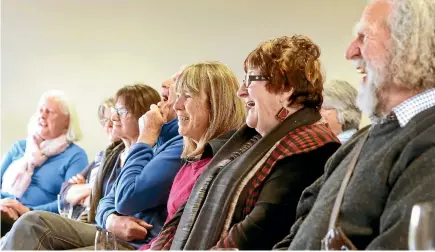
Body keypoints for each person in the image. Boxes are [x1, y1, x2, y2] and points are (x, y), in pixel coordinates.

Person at [151, 36, 341, 250]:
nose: (241, 91)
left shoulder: (311, 147)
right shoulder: (250, 142)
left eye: (250, 80)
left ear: (286, 88)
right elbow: (185, 214)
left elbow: (256, 231)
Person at [274, 0, 435, 250]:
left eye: (364, 36)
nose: (350, 51)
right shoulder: (363, 139)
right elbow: (301, 229)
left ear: (410, 46)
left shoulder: (428, 143)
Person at [0, 82, 184, 250]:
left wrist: (89, 191)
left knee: (30, 222)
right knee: (30, 223)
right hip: (103, 226)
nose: (113, 118)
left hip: (134, 240)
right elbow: (84, 196)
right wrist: (110, 217)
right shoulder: (110, 155)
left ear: (143, 117)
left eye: (121, 111)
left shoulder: (154, 151)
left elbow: (124, 197)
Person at [140, 61, 246, 250]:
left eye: (187, 96)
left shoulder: (220, 167)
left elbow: (127, 199)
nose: (177, 105)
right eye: (178, 95)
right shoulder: (192, 160)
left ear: (216, 104)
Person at [0, 90, 87, 236]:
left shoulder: (75, 156)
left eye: (50, 112)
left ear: (66, 120)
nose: (42, 115)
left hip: (36, 221)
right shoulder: (20, 147)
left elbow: (69, 201)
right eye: (40, 110)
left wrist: (27, 212)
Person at [60, 98, 119, 221]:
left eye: (113, 119)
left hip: (98, 225)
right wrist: (93, 189)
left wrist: (86, 192)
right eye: (104, 120)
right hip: (81, 220)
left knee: (34, 221)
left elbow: (113, 194)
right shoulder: (103, 156)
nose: (107, 125)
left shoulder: (126, 157)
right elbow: (65, 192)